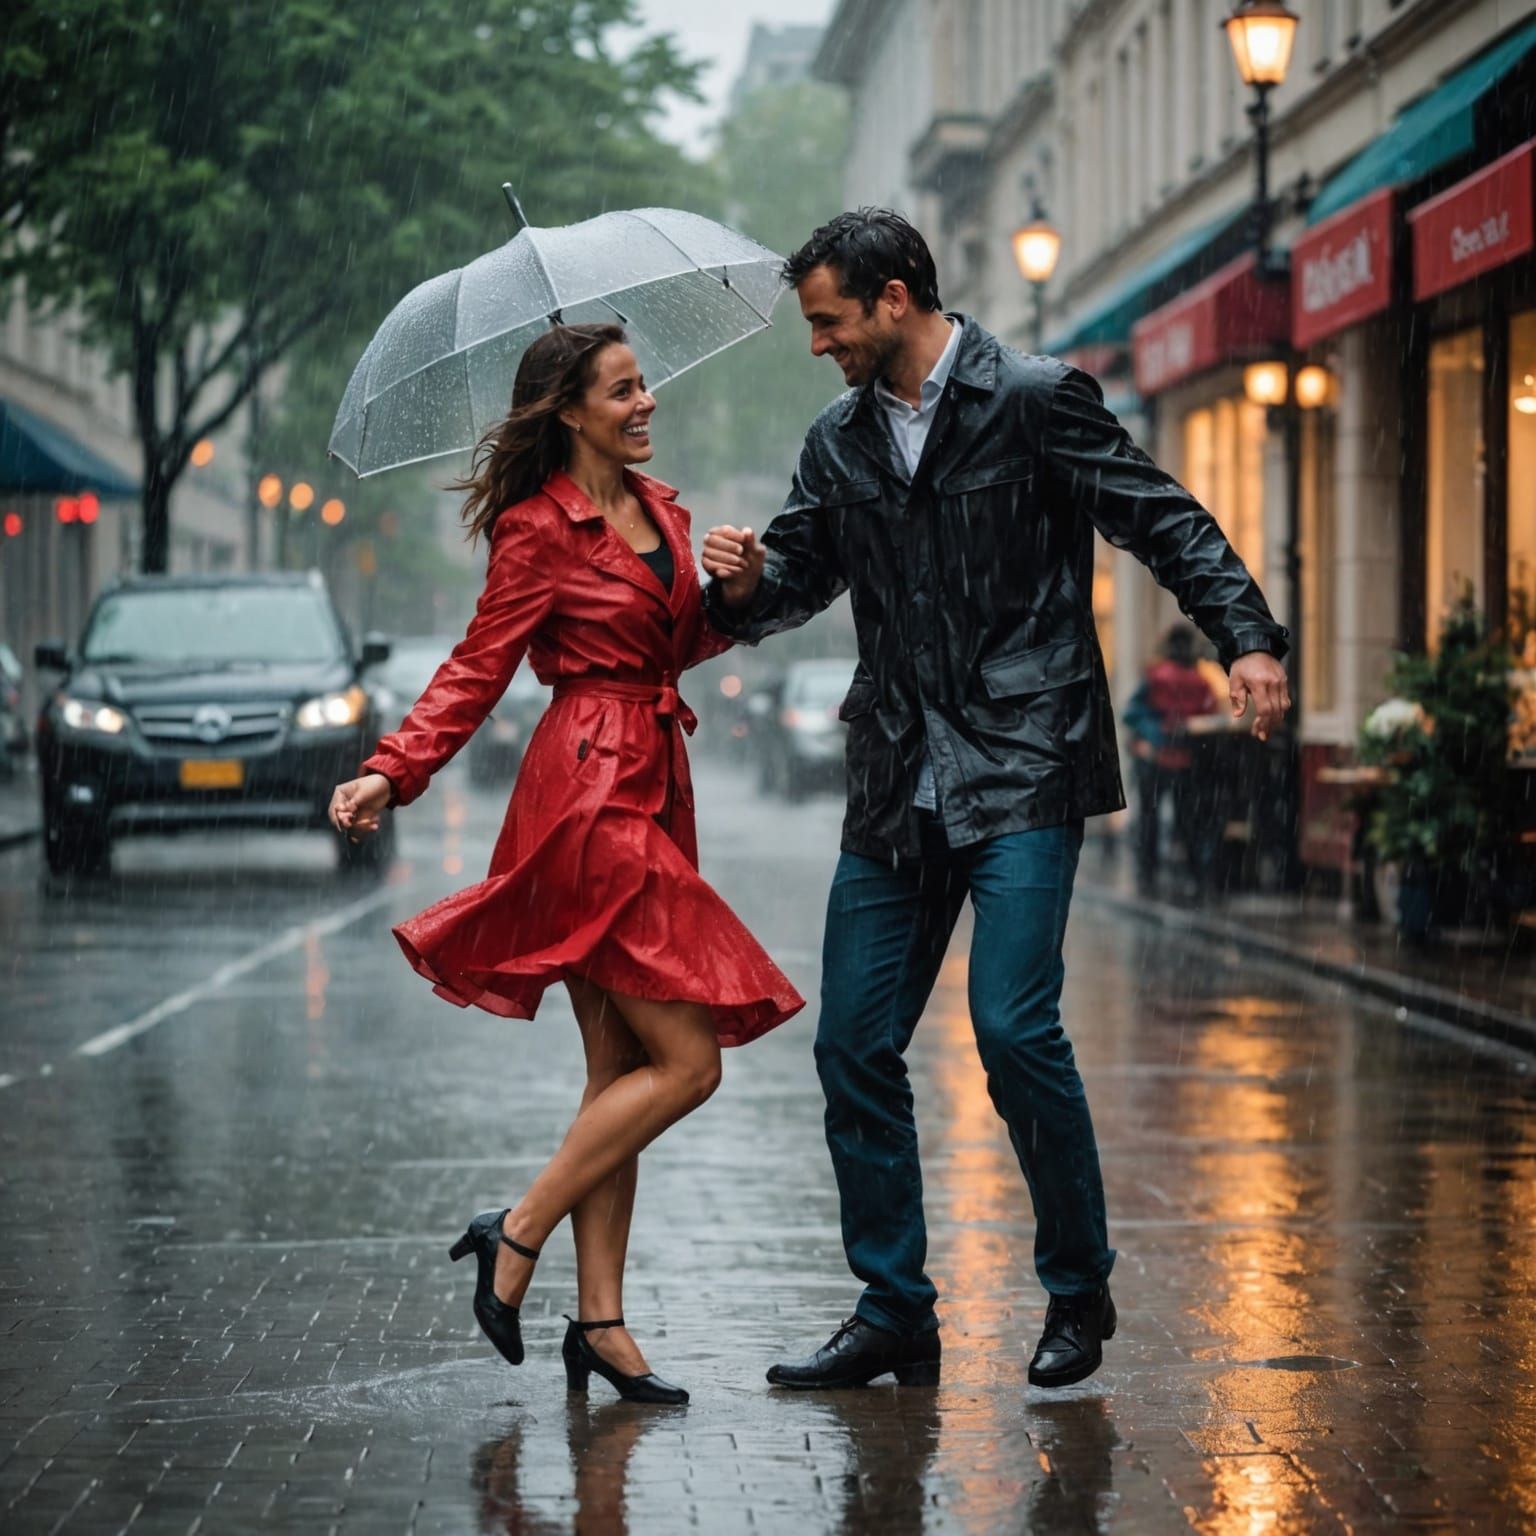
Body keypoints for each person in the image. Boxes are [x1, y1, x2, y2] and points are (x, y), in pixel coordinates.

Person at [700, 209, 1290, 1392]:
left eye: (829, 320)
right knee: (853, 1044)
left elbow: (1161, 517)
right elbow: (797, 583)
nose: (817, 345)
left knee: (1014, 1029)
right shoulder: (837, 442)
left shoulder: (1034, 400)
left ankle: (1077, 1289)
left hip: (1024, 756)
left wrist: (1248, 637)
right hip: (896, 778)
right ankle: (894, 1312)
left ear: (896, 298)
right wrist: (750, 584)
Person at [329, 323, 803, 1406]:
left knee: (617, 1074)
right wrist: (393, 771)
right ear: (572, 412)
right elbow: (478, 666)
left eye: (644, 384)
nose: (646, 403)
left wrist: (734, 593)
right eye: (623, 390)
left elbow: (676, 644)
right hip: (591, 795)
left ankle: (599, 1323)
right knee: (690, 1064)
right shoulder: (537, 530)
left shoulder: (662, 510)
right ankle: (519, 1227)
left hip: (654, 778)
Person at [1122, 623, 1220, 896]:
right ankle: (1195, 876)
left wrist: (1155, 735)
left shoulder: (1155, 676)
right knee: (1188, 819)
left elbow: (1131, 713)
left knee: (1149, 819)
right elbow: (1208, 714)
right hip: (1185, 759)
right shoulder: (1201, 682)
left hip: (1154, 759)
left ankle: (1148, 874)